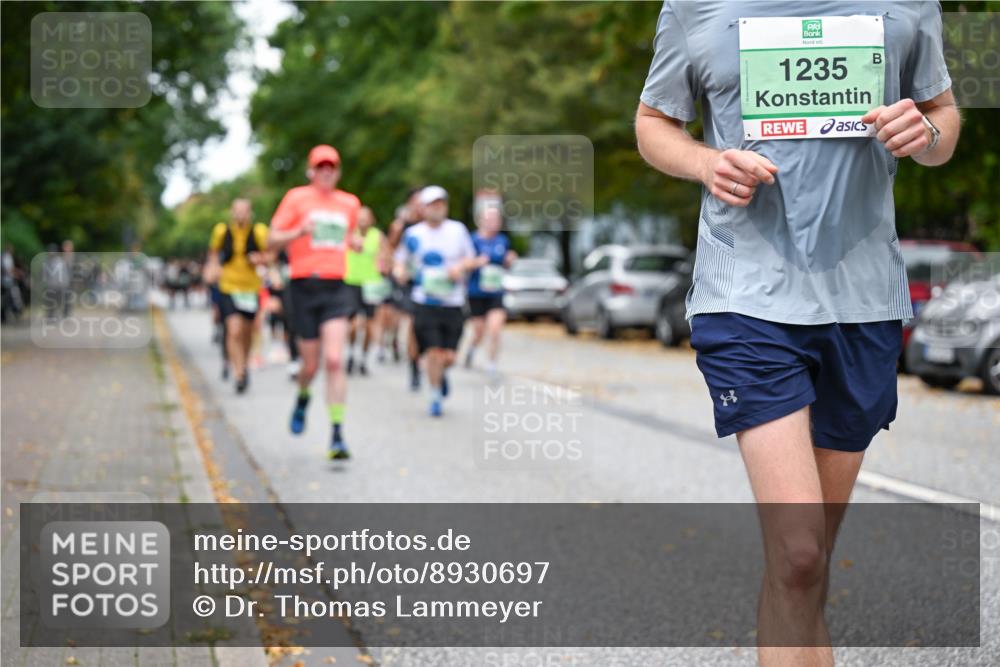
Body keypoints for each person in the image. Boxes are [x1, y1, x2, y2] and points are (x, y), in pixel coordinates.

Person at [635, 3, 959, 666]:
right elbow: (653, 122)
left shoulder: (907, 5)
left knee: (807, 567)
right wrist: (704, 163)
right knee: (799, 548)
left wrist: (923, 131)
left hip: (862, 300)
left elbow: (945, 121)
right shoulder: (697, 7)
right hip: (745, 294)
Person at [267, 144, 363, 460]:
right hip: (303, 286)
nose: (326, 172)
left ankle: (337, 435)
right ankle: (303, 395)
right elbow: (271, 239)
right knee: (311, 365)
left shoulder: (349, 203)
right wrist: (298, 231)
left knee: (334, 359)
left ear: (338, 171)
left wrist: (356, 242)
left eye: (331, 167)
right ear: (311, 171)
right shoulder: (296, 198)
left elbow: (349, 239)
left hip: (336, 286)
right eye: (320, 167)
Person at [393, 186, 477, 417]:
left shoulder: (457, 230)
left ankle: (441, 374)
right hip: (425, 301)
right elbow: (399, 260)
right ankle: (434, 394)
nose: (437, 208)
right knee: (432, 352)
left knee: (448, 356)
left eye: (441, 204)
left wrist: (460, 267)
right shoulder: (414, 235)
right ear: (424, 208)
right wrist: (400, 271)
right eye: (432, 204)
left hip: (453, 301)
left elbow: (472, 259)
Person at [207, 198, 269, 394]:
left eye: (245, 211)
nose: (241, 214)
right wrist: (213, 268)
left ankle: (244, 363)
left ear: (250, 213)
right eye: (237, 211)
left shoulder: (259, 231)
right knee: (233, 330)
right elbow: (214, 254)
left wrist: (259, 259)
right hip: (228, 287)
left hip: (250, 289)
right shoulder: (221, 231)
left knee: (247, 332)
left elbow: (270, 255)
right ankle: (239, 372)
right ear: (232, 213)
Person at [464, 205, 516, 380]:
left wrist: (509, 259)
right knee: (479, 331)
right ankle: (471, 350)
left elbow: (505, 263)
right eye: (490, 219)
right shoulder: (472, 240)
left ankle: (491, 364)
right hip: (476, 292)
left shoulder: (502, 240)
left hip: (495, 292)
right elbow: (464, 263)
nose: (494, 223)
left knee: (495, 329)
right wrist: (477, 262)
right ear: (481, 221)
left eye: (496, 220)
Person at [387, 187, 426, 389]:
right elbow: (391, 250)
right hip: (408, 282)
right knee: (411, 323)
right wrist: (398, 269)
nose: (420, 205)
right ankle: (414, 368)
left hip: (431, 284)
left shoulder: (436, 225)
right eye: (416, 201)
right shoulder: (402, 226)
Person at [345, 206, 390, 376]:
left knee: (370, 325)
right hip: (351, 282)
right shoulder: (349, 235)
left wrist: (384, 263)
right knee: (354, 324)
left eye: (366, 217)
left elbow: (387, 256)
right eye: (359, 217)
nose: (362, 220)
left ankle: (363, 358)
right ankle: (350, 353)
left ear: (372, 220)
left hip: (371, 283)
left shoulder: (377, 236)